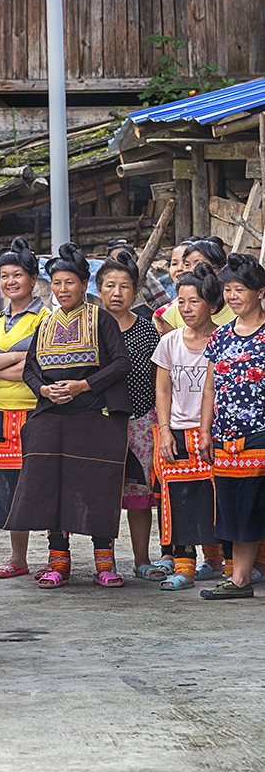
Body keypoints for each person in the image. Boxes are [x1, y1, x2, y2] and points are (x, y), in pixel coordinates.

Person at [5, 243, 132, 589]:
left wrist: (83, 385)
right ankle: (58, 560)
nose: (63, 290)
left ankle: (104, 561)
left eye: (70, 283)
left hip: (94, 414)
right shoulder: (45, 321)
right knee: (50, 485)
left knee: (96, 486)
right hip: (52, 414)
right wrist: (43, 391)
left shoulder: (100, 318)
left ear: (84, 283)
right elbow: (31, 368)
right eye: (57, 283)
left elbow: (121, 362)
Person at [0, 237, 48, 578]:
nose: (11, 281)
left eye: (17, 274)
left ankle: (57, 557)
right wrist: (21, 358)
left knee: (43, 482)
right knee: (10, 486)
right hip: (1, 415)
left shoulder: (46, 318)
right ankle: (19, 557)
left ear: (33, 278)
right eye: (4, 276)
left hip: (37, 411)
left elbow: (43, 365)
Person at [151, 263, 222, 590]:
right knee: (179, 500)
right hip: (178, 431)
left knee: (215, 499)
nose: (186, 308)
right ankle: (184, 566)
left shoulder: (223, 341)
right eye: (181, 301)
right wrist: (165, 429)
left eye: (194, 301)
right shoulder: (170, 342)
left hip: (215, 432)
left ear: (212, 305)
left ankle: (217, 560)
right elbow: (162, 389)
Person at [198, 253, 265, 599]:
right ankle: (240, 578)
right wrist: (205, 430)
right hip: (226, 436)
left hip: (260, 434)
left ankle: (242, 577)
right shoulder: (221, 336)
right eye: (228, 289)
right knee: (236, 506)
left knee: (256, 504)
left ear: (260, 292)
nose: (232, 296)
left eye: (240, 289)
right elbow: (210, 387)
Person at [96, 251, 162, 580]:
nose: (117, 292)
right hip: (99, 421)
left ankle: (141, 560)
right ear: (99, 290)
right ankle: (105, 562)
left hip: (139, 420)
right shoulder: (89, 327)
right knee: (103, 492)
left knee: (140, 495)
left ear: (134, 292)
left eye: (124, 286)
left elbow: (157, 380)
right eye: (110, 285)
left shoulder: (147, 331)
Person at [158, 237, 234, 335]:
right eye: (187, 265)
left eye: (198, 264)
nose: (191, 271)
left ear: (220, 268)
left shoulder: (236, 310)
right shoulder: (175, 311)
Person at [152, 240, 192, 335]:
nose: (179, 268)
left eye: (186, 264)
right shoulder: (162, 315)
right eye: (174, 264)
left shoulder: (221, 306)